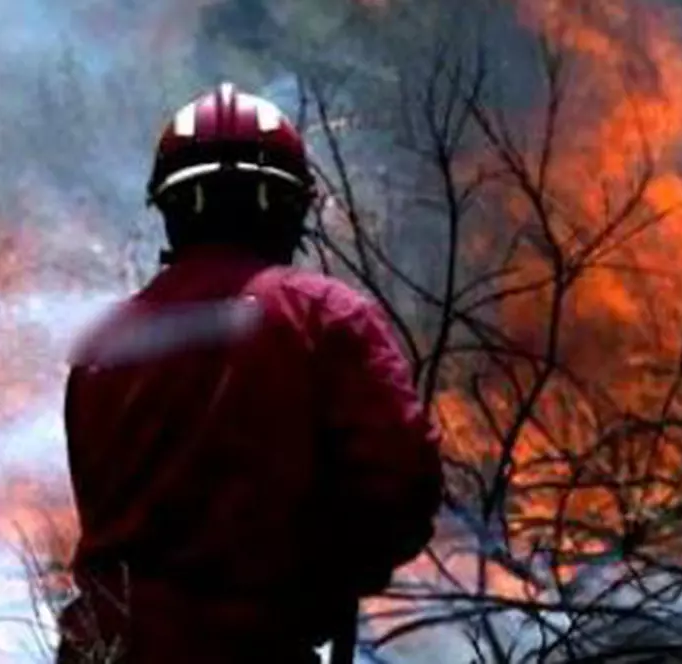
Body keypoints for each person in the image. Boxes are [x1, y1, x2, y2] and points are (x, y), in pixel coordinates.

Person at [56, 82, 444, 664]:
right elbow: (403, 487)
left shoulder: (102, 344)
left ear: (170, 209)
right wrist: (332, 576)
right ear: (287, 207)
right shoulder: (326, 318)